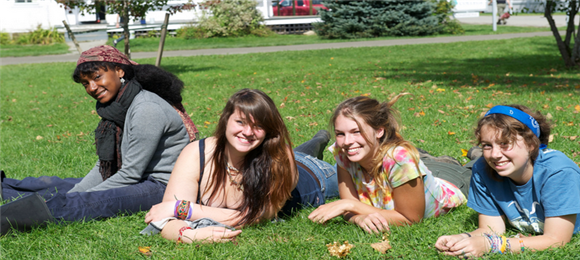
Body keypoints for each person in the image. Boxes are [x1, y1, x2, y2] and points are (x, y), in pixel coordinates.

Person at [1, 45, 198, 235]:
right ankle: (5, 187)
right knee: (59, 186)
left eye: (97, 77)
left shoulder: (146, 108)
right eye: (86, 83)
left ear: (119, 71)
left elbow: (130, 174)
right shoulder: (120, 106)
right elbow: (105, 165)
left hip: (162, 186)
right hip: (139, 178)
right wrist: (76, 191)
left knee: (78, 202)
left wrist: (77, 197)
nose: (92, 88)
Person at [142, 89, 338, 243]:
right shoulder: (197, 154)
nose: (247, 132)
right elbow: (164, 217)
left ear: (268, 131)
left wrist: (185, 209)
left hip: (312, 176)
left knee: (308, 160)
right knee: (301, 152)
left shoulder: (279, 156)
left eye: (258, 126)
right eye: (240, 122)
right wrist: (188, 234)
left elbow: (257, 216)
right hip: (287, 158)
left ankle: (319, 141)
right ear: (226, 120)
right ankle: (319, 139)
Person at [435, 105, 580, 257]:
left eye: (505, 143)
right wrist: (463, 239)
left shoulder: (558, 172)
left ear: (531, 145)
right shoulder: (483, 169)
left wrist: (494, 245)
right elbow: (491, 229)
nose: (495, 154)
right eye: (487, 145)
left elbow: (556, 240)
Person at [308, 95, 468, 234]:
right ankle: (428, 159)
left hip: (453, 181)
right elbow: (350, 210)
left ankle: (468, 156)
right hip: (412, 176)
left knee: (474, 167)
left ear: (379, 131)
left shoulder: (400, 160)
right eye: (340, 134)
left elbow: (410, 218)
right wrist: (358, 218)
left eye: (356, 132)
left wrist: (348, 204)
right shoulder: (343, 152)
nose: (347, 142)